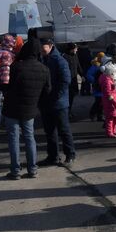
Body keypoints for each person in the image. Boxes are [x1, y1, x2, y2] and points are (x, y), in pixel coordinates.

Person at [3, 38, 51, 179]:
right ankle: (32, 169)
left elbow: (7, 86)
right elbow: (47, 91)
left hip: (12, 108)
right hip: (30, 109)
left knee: (14, 139)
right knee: (30, 138)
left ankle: (15, 171)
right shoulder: (44, 69)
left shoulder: (16, 67)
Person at [38, 38, 76, 167]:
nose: (42, 51)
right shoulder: (43, 59)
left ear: (50, 46)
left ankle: (70, 154)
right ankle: (53, 156)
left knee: (63, 130)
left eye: (44, 48)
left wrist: (54, 96)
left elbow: (66, 80)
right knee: (49, 132)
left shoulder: (59, 60)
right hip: (46, 102)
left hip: (59, 103)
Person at [100, 59, 116, 138]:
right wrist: (114, 103)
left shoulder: (110, 79)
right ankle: (109, 132)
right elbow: (108, 94)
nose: (115, 75)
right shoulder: (107, 80)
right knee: (110, 117)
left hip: (115, 99)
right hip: (111, 102)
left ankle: (113, 130)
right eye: (113, 73)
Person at [62, 43, 83, 118]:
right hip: (67, 80)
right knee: (67, 97)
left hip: (74, 80)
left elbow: (78, 66)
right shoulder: (64, 56)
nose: (77, 50)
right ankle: (66, 112)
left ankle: (69, 110)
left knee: (72, 96)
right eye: (75, 48)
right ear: (71, 49)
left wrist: (82, 75)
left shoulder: (75, 56)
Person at [86, 53, 105, 122]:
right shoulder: (95, 66)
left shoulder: (103, 65)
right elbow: (88, 75)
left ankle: (100, 116)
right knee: (98, 102)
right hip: (97, 87)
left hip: (102, 86)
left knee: (101, 103)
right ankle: (92, 114)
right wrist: (95, 81)